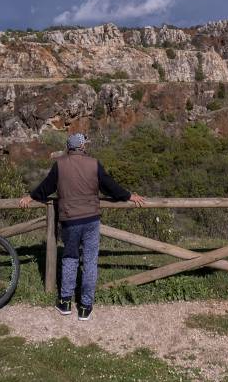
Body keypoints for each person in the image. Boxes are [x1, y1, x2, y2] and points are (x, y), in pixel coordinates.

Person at [19, 132, 144, 320]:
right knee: (90, 261)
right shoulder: (94, 164)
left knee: (70, 258)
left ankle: (66, 302)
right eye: (85, 144)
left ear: (69, 147)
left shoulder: (60, 165)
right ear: (82, 146)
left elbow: (46, 187)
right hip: (91, 219)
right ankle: (85, 306)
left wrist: (31, 197)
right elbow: (110, 187)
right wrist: (129, 196)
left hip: (70, 220)